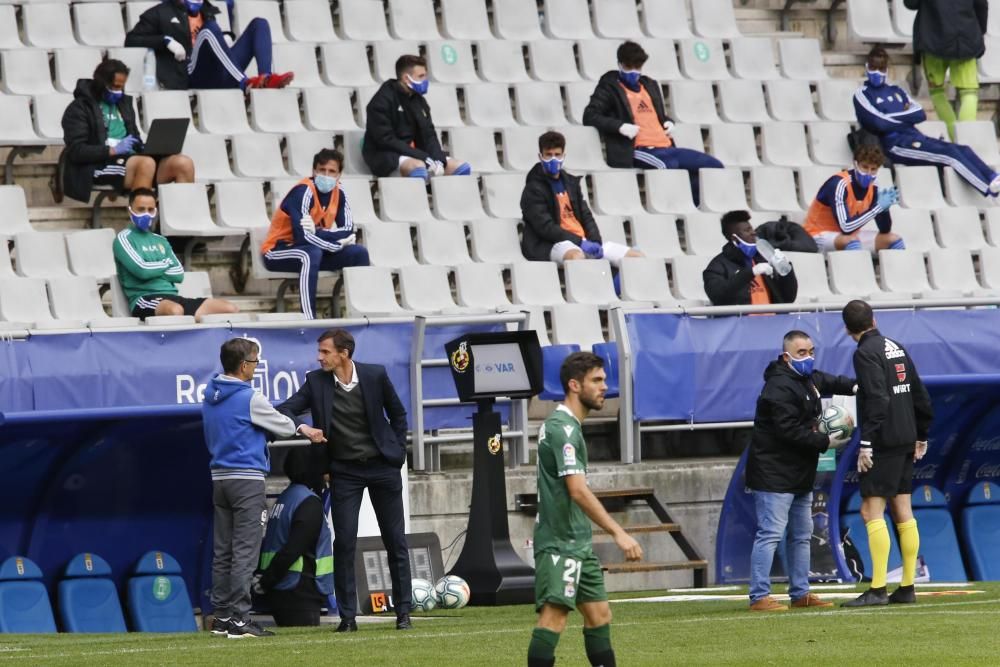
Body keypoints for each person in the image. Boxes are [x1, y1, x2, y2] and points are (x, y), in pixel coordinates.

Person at [277, 329, 411, 632]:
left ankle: (403, 612)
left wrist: (397, 451)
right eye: (319, 351)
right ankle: (348, 618)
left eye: (325, 352)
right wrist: (304, 429)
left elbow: (399, 415)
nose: (319, 357)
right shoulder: (316, 382)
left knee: (395, 541)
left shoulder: (375, 376)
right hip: (344, 472)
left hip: (382, 468)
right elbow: (285, 409)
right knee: (345, 542)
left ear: (344, 353)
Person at [201, 337, 325, 638]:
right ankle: (240, 619)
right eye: (255, 362)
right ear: (244, 365)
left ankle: (221, 617)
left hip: (220, 479)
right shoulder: (248, 397)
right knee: (245, 550)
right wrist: (303, 428)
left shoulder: (210, 393)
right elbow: (281, 425)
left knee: (223, 551)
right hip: (247, 480)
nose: (257, 368)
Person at [528, 352, 643, 667]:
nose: (605, 387)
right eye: (597, 380)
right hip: (559, 541)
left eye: (604, 380)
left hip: (578, 541)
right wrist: (619, 533)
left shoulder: (571, 427)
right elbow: (577, 490)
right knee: (555, 618)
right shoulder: (561, 429)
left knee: (599, 615)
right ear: (574, 385)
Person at [746, 330, 857, 611]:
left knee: (801, 534)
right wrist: (825, 440)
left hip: (799, 473)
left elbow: (833, 381)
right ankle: (759, 595)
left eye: (811, 351)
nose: (808, 357)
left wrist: (861, 386)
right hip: (773, 473)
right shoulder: (778, 388)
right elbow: (788, 431)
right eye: (801, 353)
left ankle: (800, 593)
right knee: (770, 533)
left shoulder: (808, 379)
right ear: (786, 357)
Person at [841, 300, 933, 608]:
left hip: (884, 441)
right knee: (903, 509)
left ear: (846, 329)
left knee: (870, 511)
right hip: (906, 437)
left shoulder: (864, 353)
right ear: (874, 319)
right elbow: (919, 392)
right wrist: (922, 434)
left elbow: (877, 399)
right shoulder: (895, 346)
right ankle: (907, 586)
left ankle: (878, 588)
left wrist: (866, 442)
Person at [583, 40, 723, 205]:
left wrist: (668, 122)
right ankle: (672, 208)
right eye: (629, 67)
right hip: (637, 148)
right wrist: (620, 126)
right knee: (667, 166)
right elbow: (590, 115)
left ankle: (692, 205)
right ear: (620, 65)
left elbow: (658, 116)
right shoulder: (609, 87)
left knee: (713, 165)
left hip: (666, 146)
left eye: (637, 67)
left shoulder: (649, 85)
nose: (634, 72)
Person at [855, 46, 1000, 197]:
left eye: (881, 68)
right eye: (873, 68)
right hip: (896, 145)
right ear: (867, 67)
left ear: (886, 70)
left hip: (916, 137)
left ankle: (992, 177)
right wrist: (904, 117)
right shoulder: (862, 94)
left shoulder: (896, 90)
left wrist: (891, 116)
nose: (877, 72)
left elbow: (919, 114)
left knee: (962, 149)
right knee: (949, 154)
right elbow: (878, 123)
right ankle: (988, 188)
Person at [61, 58, 194, 204]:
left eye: (121, 87)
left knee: (183, 164)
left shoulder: (124, 104)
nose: (118, 92)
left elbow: (134, 135)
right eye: (114, 87)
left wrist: (144, 146)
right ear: (100, 83)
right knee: (146, 163)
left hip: (130, 160)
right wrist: (112, 150)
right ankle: (141, 223)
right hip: (99, 164)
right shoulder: (79, 108)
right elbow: (76, 151)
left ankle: (180, 221)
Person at [261, 149, 371, 319]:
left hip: (316, 249)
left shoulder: (339, 192)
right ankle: (308, 318)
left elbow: (348, 229)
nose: (326, 175)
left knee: (359, 253)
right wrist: (335, 243)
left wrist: (320, 232)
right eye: (322, 170)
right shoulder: (303, 191)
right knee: (310, 253)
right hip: (279, 250)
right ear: (314, 171)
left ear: (339, 175)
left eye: (332, 171)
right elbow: (301, 237)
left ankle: (363, 315)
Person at [113, 188, 240, 321]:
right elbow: (142, 271)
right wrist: (165, 264)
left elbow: (178, 274)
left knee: (229, 309)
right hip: (144, 299)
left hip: (173, 298)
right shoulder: (123, 239)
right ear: (130, 211)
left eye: (150, 210)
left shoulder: (160, 240)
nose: (146, 214)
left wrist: (152, 268)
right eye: (141, 209)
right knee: (174, 311)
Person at [521, 131, 642, 269]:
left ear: (563, 156)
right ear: (540, 156)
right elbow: (546, 228)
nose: (553, 159)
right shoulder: (533, 189)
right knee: (577, 257)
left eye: (557, 155)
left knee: (636, 258)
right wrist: (580, 243)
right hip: (553, 243)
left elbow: (586, 216)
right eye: (548, 155)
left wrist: (595, 241)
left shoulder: (571, 183)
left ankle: (615, 287)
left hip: (582, 240)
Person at [125, 0, 293, 91]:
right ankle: (245, 83)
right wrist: (165, 41)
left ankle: (266, 78)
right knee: (209, 30)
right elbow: (131, 40)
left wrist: (226, 36)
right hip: (190, 72)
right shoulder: (159, 12)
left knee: (260, 24)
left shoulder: (208, 9)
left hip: (220, 71)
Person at [256, 446, 332, 627]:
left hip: (283, 588)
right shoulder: (308, 502)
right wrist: (267, 581)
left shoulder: (286, 498)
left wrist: (265, 580)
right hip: (299, 591)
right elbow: (293, 549)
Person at [362, 54, 471, 182]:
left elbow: (429, 134)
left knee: (461, 168)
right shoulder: (381, 101)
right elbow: (386, 140)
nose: (425, 80)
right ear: (406, 78)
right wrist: (421, 156)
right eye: (421, 76)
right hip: (384, 155)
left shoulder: (418, 100)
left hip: (412, 153)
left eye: (425, 75)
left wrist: (438, 158)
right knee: (418, 168)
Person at [905, 0, 988, 141]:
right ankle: (966, 139)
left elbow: (911, 3)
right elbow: (981, 5)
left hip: (933, 40)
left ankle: (954, 137)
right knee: (969, 92)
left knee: (937, 92)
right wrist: (979, 31)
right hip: (965, 38)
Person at [803, 144, 904, 253]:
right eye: (865, 167)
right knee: (852, 242)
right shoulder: (839, 184)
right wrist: (877, 208)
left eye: (873, 169)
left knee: (894, 240)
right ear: (855, 164)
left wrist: (884, 210)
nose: (869, 173)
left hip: (848, 236)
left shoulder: (874, 185)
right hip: (818, 235)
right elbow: (846, 227)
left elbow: (885, 230)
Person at [703, 211, 797, 307]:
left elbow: (788, 299)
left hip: (772, 320)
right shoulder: (718, 265)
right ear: (734, 238)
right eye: (747, 230)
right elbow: (717, 296)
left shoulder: (764, 259)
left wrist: (786, 269)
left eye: (751, 229)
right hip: (740, 321)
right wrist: (750, 273)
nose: (753, 233)